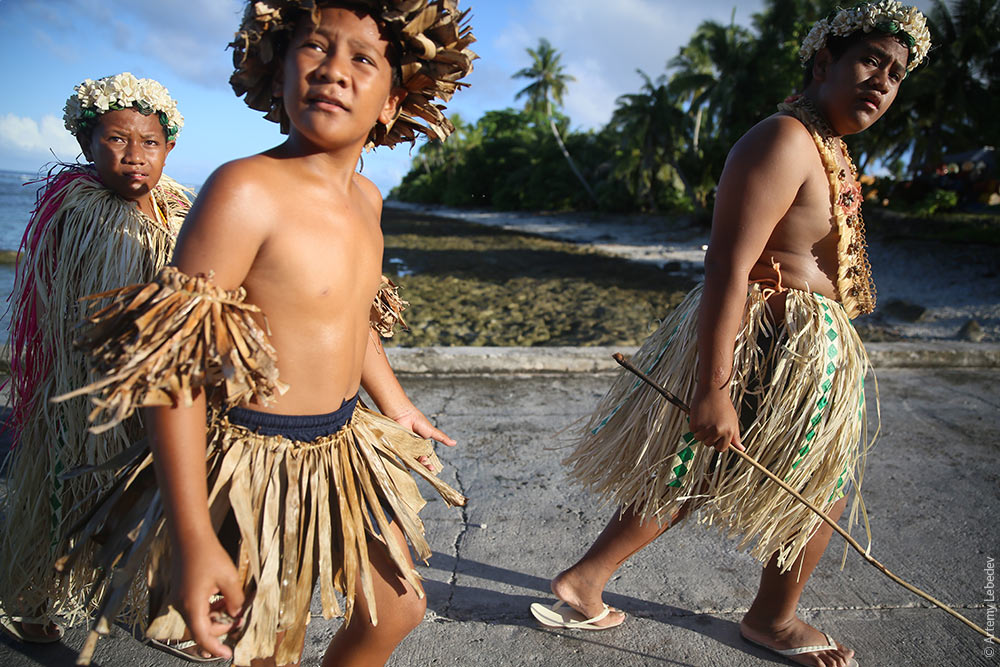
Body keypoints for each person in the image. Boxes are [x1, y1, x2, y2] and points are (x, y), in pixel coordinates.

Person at [49, 2, 476, 666]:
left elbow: (351, 314)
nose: (334, 70)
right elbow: (173, 368)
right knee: (270, 646)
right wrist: (196, 538)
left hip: (340, 444)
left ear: (392, 101)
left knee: (396, 604)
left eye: (361, 58)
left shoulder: (367, 200)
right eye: (314, 48)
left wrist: (396, 404)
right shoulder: (245, 191)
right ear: (277, 74)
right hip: (258, 461)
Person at [530, 3, 930, 666]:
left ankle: (586, 580)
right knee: (815, 488)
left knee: (696, 470)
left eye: (895, 73)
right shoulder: (783, 139)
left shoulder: (821, 143)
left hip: (791, 345)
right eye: (870, 61)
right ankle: (771, 619)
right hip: (765, 340)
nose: (882, 82)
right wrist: (714, 387)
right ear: (824, 62)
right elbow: (728, 266)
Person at [0, 72, 189, 644]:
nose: (135, 155)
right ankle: (33, 598)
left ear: (169, 148)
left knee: (155, 498)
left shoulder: (180, 208)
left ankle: (152, 605)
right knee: (66, 499)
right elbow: (59, 307)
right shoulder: (76, 210)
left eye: (149, 143)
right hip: (84, 394)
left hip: (158, 387)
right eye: (115, 139)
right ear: (85, 143)